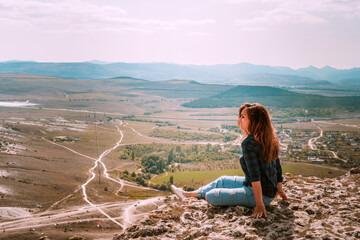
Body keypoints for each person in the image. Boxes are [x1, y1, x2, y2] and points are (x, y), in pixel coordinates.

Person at [171, 103, 288, 218]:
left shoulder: (249, 144)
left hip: (260, 194)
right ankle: (187, 195)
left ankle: (196, 196)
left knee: (211, 196)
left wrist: (259, 204)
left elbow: (255, 176)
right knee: (221, 181)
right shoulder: (269, 138)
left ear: (255, 121)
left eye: (243, 117)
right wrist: (279, 189)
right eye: (240, 116)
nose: (239, 120)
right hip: (265, 191)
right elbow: (277, 167)